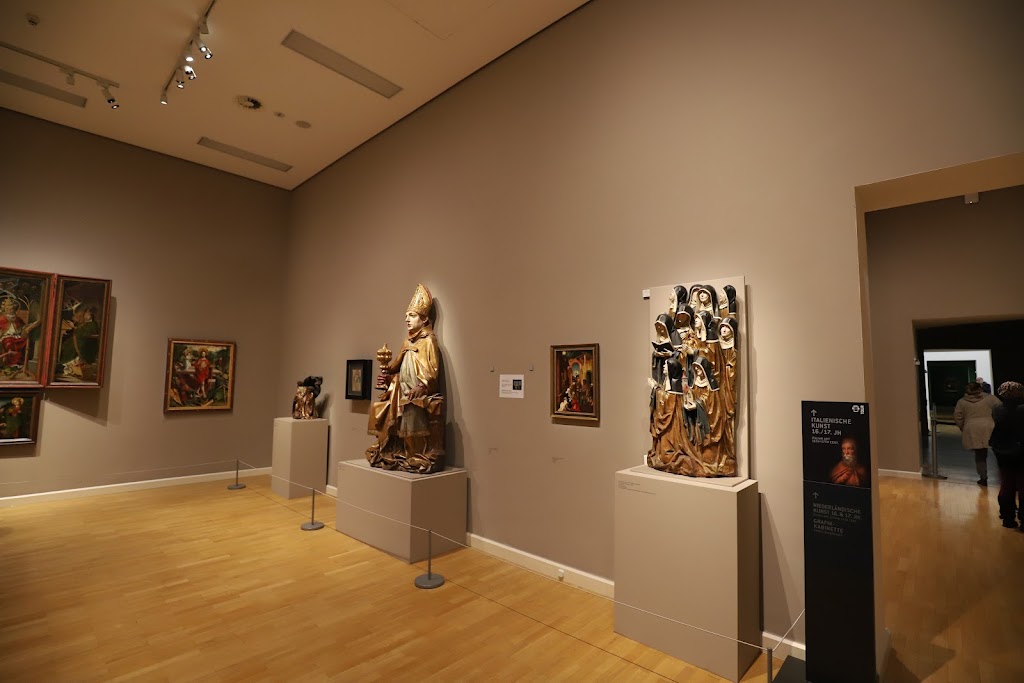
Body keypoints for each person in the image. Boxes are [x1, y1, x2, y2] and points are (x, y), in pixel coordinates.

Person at [366, 284, 446, 474]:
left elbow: (433, 369)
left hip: (416, 393)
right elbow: (397, 368)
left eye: (412, 315)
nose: (407, 319)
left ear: (424, 319)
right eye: (406, 316)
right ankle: (394, 449)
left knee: (412, 412)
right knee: (382, 410)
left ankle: (414, 454)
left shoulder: (429, 340)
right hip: (401, 391)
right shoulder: (406, 343)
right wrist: (388, 378)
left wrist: (422, 385)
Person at [990, 381, 1024, 529]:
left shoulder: (997, 409)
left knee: (1006, 483)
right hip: (1021, 450)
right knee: (1022, 484)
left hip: (1002, 451)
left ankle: (1007, 517)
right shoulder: (1022, 410)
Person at [953, 381, 1002, 486]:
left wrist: (964, 427)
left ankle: (983, 478)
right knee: (999, 452)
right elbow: (1000, 410)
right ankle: (1004, 476)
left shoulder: (961, 402)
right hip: (990, 427)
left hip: (972, 428)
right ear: (980, 388)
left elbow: (958, 417)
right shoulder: (991, 398)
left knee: (980, 455)